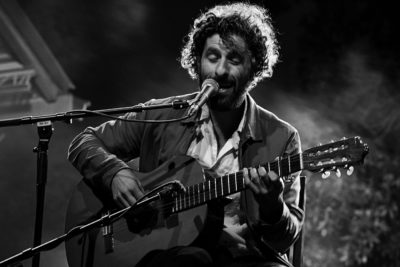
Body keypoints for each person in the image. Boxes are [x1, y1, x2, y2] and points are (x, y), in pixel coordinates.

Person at [68, 2, 303, 267]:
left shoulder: (281, 137)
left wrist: (273, 207)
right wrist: (114, 175)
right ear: (198, 60)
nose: (220, 71)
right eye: (212, 57)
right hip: (161, 253)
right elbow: (84, 142)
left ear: (254, 68)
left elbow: (285, 239)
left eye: (234, 60)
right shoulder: (162, 115)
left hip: (243, 259)